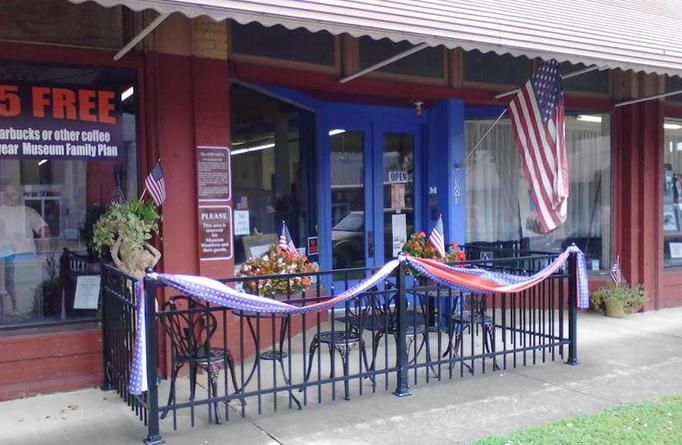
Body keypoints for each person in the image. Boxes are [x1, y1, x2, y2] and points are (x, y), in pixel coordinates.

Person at [0, 182, 51, 314]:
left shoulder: (26, 211)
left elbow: (44, 231)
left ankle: (10, 317)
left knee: (6, 292)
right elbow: (44, 231)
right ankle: (23, 317)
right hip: (25, 258)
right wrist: (43, 253)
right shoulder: (27, 211)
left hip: (7, 258)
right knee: (25, 295)